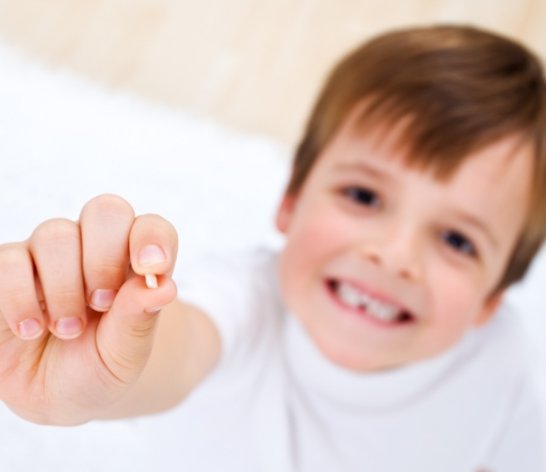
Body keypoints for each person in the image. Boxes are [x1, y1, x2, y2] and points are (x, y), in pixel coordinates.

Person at [0, 24, 545, 471]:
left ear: (492, 298)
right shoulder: (242, 303)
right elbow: (173, 349)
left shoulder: (507, 367)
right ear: (291, 200)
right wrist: (101, 369)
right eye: (363, 195)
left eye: (457, 240)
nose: (395, 255)